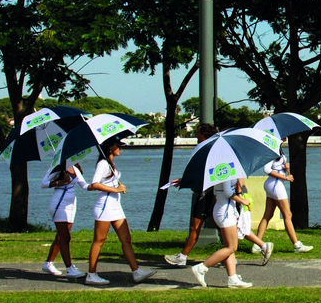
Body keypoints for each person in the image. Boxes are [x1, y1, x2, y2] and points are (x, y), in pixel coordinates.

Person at [85, 138, 157, 286]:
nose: (120, 149)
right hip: (105, 206)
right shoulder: (103, 163)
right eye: (118, 146)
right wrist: (115, 189)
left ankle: (136, 272)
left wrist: (118, 185)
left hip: (115, 206)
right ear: (110, 147)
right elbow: (95, 184)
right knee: (99, 240)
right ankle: (91, 274)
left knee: (126, 239)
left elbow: (109, 182)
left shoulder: (110, 163)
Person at [164, 122, 218, 267]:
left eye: (198, 132)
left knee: (196, 225)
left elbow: (204, 173)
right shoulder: (210, 149)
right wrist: (184, 180)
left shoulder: (207, 149)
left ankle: (182, 257)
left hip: (207, 193)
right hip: (209, 192)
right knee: (221, 226)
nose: (196, 135)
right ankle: (232, 254)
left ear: (203, 134)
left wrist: (186, 180)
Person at [190, 176, 253, 288]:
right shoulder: (225, 170)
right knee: (231, 248)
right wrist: (242, 201)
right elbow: (228, 192)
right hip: (225, 212)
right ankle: (202, 267)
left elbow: (222, 191)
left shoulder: (225, 171)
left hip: (225, 209)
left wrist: (238, 189)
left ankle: (232, 278)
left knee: (229, 247)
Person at [254, 142, 313, 253]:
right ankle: (297, 245)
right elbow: (267, 169)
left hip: (273, 184)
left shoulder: (278, 149)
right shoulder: (271, 150)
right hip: (276, 185)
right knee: (288, 215)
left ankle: (257, 245)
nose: (285, 137)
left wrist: (285, 168)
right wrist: (285, 177)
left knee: (268, 215)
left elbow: (276, 167)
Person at [40, 163, 88, 278]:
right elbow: (43, 184)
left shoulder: (74, 168)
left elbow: (84, 186)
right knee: (65, 237)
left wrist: (103, 186)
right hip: (59, 203)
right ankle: (69, 268)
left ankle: (48, 263)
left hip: (71, 205)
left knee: (60, 236)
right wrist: (60, 182)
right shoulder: (57, 167)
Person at [235, 178, 274, 265]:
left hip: (239, 197)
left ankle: (263, 245)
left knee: (239, 227)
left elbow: (239, 181)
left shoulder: (234, 171)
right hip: (241, 196)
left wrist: (239, 195)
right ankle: (229, 257)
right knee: (238, 227)